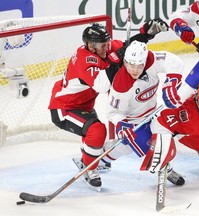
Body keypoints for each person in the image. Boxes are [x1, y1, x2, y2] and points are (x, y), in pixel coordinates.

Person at [48, 19, 169, 190]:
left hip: (85, 106)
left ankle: (89, 159)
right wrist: (117, 59)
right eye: (102, 46)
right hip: (64, 107)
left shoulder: (106, 48)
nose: (106, 48)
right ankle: (89, 169)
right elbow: (101, 85)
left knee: (95, 134)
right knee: (97, 131)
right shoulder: (83, 58)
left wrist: (145, 34)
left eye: (107, 44)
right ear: (90, 46)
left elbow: (128, 47)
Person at [100, 40, 185, 186]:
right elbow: (113, 112)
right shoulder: (121, 84)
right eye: (130, 65)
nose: (134, 70)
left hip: (153, 113)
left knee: (165, 137)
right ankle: (165, 169)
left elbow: (175, 62)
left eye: (138, 66)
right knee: (146, 145)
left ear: (144, 61)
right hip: (133, 121)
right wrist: (121, 125)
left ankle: (99, 157)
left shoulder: (151, 60)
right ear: (125, 62)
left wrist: (171, 82)